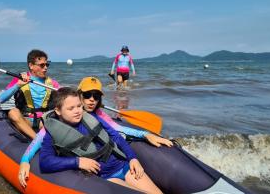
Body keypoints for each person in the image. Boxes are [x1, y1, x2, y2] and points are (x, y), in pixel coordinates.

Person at [18, 77, 172, 189]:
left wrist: (133, 157)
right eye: (71, 108)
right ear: (58, 110)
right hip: (106, 177)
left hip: (123, 166)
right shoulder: (52, 131)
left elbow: (115, 134)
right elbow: (44, 160)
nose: (78, 110)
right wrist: (25, 160)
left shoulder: (94, 116)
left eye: (79, 106)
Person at [77, 77, 172, 148]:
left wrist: (146, 134)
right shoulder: (69, 111)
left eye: (96, 96)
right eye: (87, 95)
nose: (92, 99)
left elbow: (118, 128)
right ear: (79, 95)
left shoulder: (100, 114)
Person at [0, 49, 59, 140]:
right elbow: (1, 99)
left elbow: (65, 96)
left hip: (44, 120)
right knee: (13, 113)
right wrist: (18, 85)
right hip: (26, 120)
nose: (45, 68)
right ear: (31, 66)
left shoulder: (52, 83)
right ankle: (37, 139)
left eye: (47, 64)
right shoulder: (19, 79)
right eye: (42, 65)